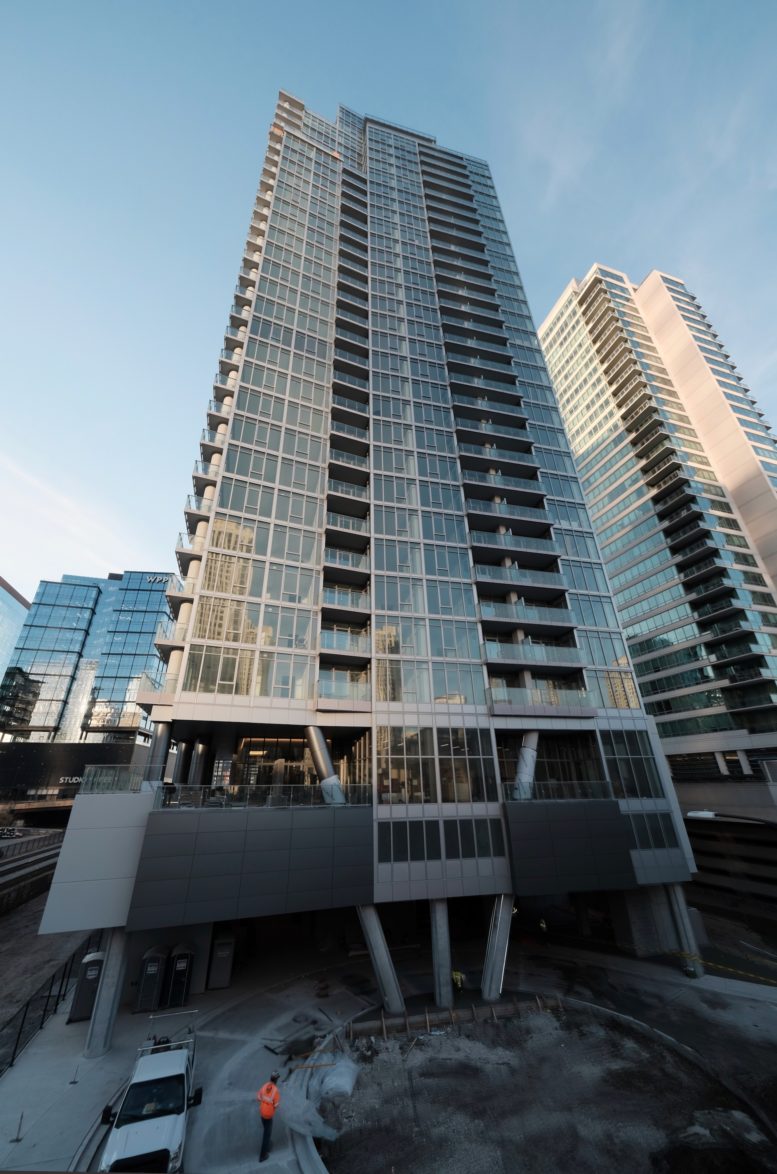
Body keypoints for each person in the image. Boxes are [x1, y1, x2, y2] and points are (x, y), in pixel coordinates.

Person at [257, 1071, 281, 1162]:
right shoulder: (276, 1091)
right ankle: (262, 1156)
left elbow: (258, 1097)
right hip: (268, 1115)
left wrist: (264, 1102)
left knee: (266, 1130)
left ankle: (268, 1144)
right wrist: (271, 1105)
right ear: (277, 1080)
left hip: (262, 1113)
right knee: (266, 1135)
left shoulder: (264, 1085)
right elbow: (276, 1105)